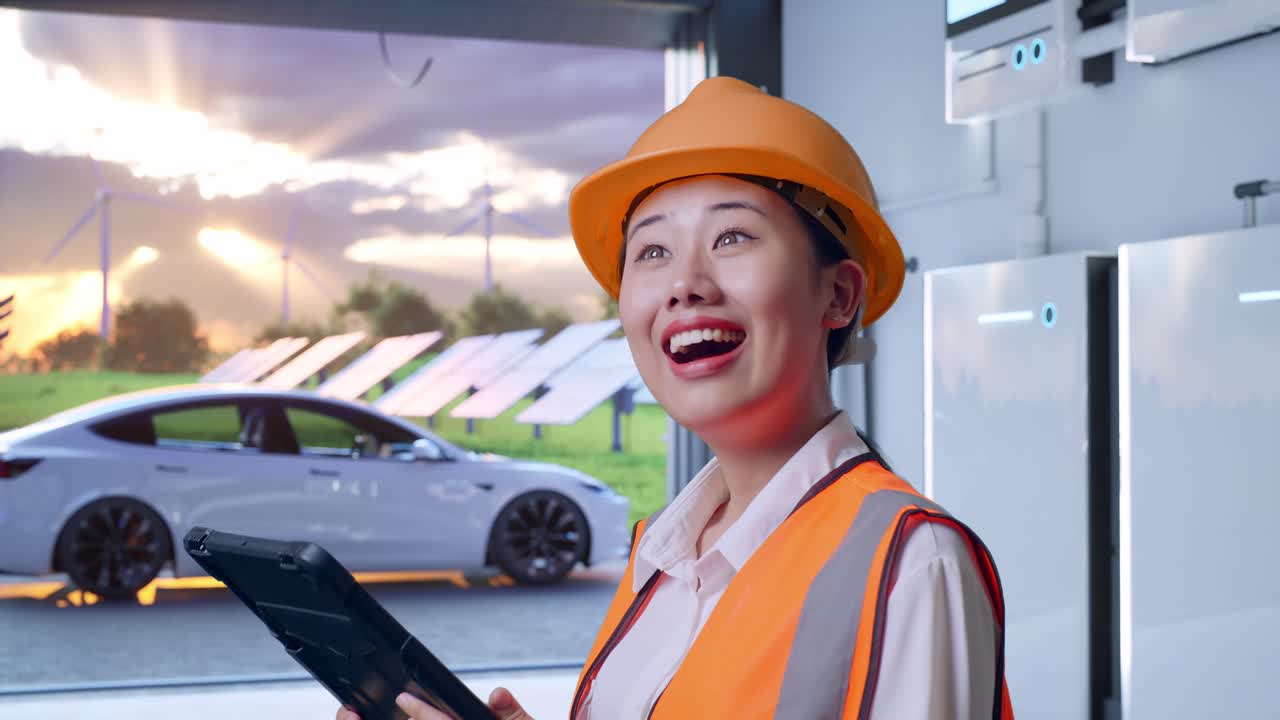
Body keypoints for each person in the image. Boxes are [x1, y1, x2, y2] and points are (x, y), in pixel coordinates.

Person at [339, 76, 1013, 720]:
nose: (684, 284)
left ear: (837, 295)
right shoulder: (662, 553)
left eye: (732, 237)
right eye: (652, 251)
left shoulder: (911, 562)